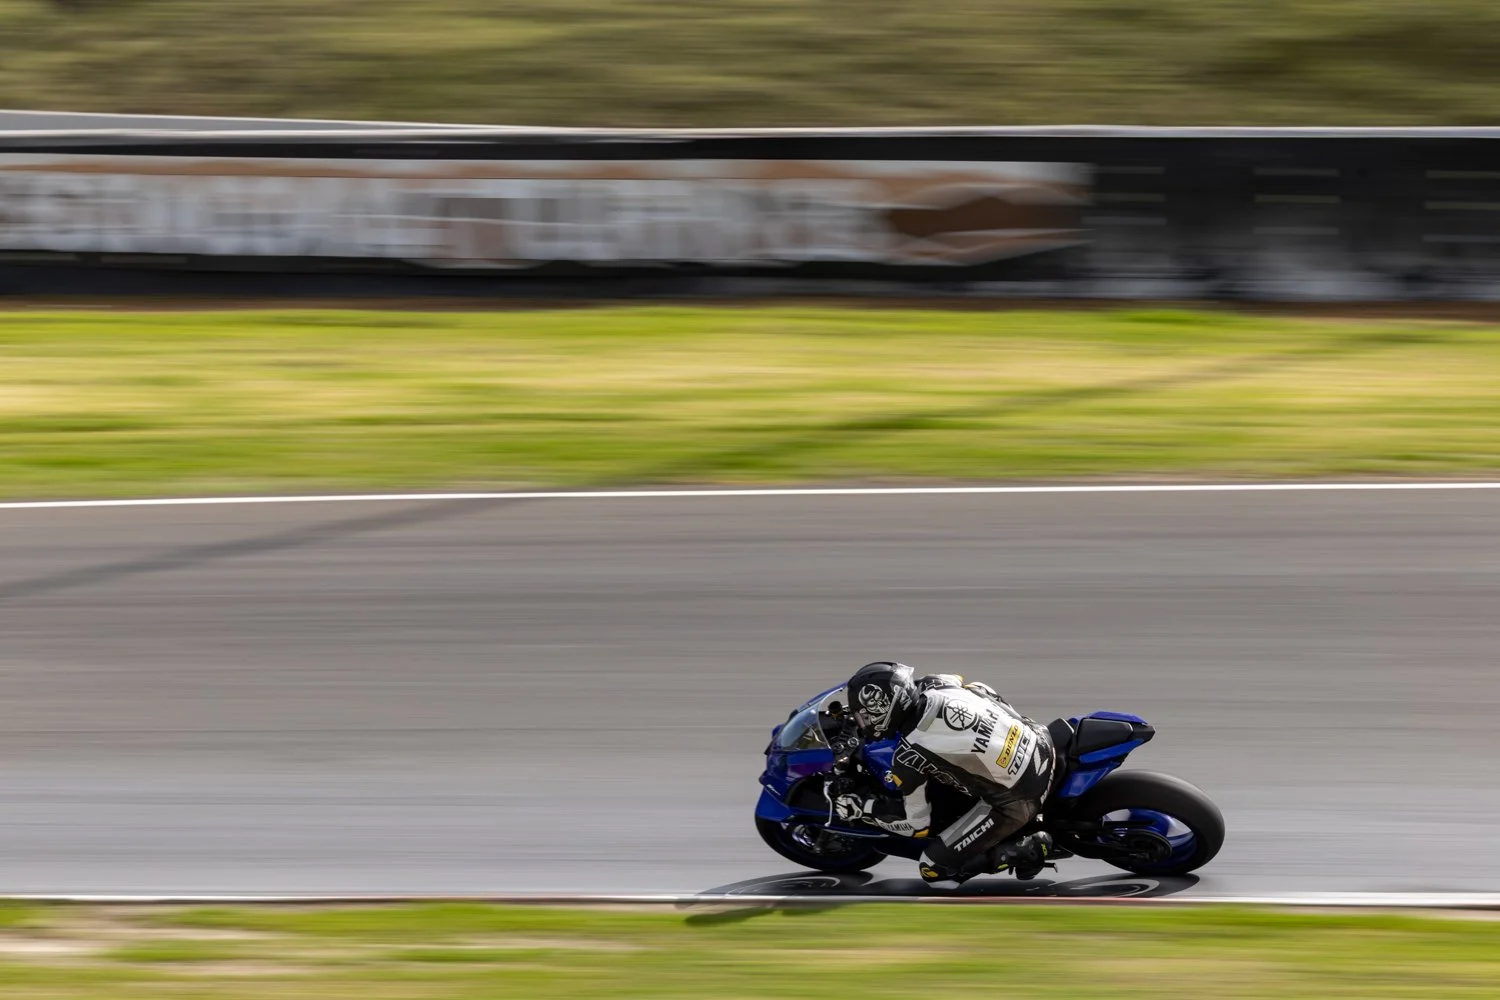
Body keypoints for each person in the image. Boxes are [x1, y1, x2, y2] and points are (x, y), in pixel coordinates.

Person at [833, 661, 1055, 888]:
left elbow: (916, 826)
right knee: (978, 688)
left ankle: (1025, 850)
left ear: (886, 708)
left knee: (932, 869)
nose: (865, 724)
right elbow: (956, 679)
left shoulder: (908, 755)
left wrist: (863, 810)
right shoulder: (937, 683)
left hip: (1021, 796)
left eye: (866, 717)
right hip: (1039, 739)